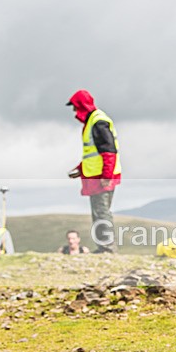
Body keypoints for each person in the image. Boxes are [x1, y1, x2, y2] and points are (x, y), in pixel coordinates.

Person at [66, 89, 121, 253]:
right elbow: (94, 154)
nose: (75, 112)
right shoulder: (92, 121)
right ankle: (104, 246)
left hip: (102, 177)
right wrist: (80, 169)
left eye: (75, 108)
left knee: (102, 212)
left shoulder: (98, 122)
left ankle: (107, 248)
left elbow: (109, 151)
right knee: (99, 212)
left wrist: (106, 175)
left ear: (81, 106)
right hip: (95, 176)